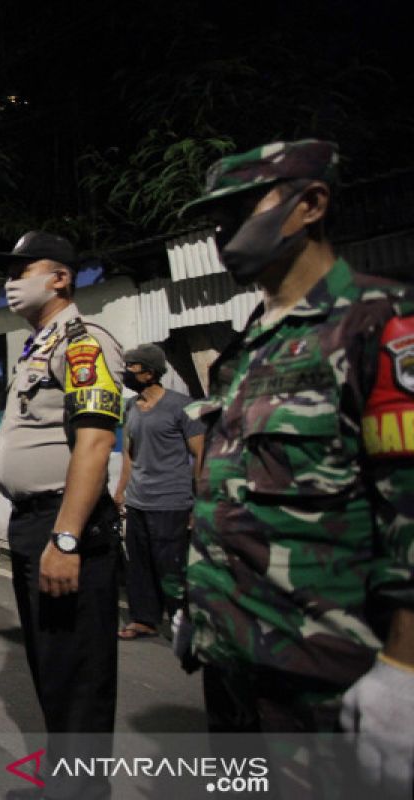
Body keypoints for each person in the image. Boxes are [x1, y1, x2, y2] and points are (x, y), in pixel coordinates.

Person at [175, 139, 414, 792]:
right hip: (235, 662)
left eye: (240, 207)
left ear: (311, 204)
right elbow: (230, 492)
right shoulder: (249, 343)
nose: (222, 228)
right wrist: (200, 603)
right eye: (213, 215)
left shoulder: (377, 321)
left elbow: (409, 506)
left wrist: (405, 668)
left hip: (325, 680)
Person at [0, 231, 123, 797]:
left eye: (25, 269)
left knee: (77, 679)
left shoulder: (84, 341)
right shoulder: (39, 345)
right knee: (53, 669)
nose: (12, 281)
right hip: (34, 524)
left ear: (61, 277)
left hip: (64, 525)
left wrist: (65, 539)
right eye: (10, 271)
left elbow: (95, 443)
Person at [112, 343, 204, 641]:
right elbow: (129, 453)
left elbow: (200, 454)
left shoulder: (181, 406)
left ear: (149, 372)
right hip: (139, 500)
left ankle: (184, 622)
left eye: (132, 368)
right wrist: (120, 491)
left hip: (171, 501)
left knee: (171, 566)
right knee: (139, 566)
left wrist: (198, 503)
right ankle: (144, 619)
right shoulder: (131, 407)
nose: (127, 373)